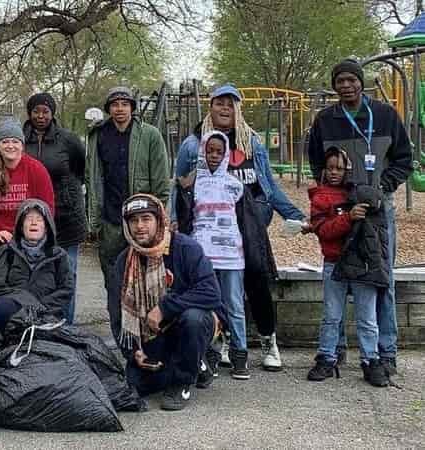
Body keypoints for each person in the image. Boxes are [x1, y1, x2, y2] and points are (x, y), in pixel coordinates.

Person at [174, 84, 304, 372]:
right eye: (219, 103)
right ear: (210, 107)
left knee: (256, 276)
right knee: (214, 285)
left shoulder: (252, 143)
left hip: (248, 220)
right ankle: (222, 339)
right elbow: (179, 186)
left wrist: (295, 215)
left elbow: (268, 186)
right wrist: (174, 221)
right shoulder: (193, 144)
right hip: (209, 226)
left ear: (238, 108)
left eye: (230, 104)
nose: (224, 109)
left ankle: (268, 339)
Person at [307, 59, 412, 376]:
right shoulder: (326, 120)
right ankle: (334, 352)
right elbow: (315, 161)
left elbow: (404, 160)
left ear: (361, 82)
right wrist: (332, 194)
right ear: (334, 85)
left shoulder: (384, 116)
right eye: (340, 81)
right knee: (337, 272)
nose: (346, 86)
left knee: (382, 278)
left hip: (378, 211)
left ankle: (385, 351)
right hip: (340, 208)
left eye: (352, 80)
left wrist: (383, 186)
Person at [112, 194, 224, 411]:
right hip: (153, 332)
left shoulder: (185, 248)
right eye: (133, 221)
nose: (140, 226)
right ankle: (197, 365)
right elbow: (116, 313)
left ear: (159, 220)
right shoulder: (123, 261)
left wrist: (164, 308)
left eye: (146, 219)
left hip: (193, 323)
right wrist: (132, 351)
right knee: (137, 384)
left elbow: (212, 293)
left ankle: (182, 382)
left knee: (193, 319)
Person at [86, 87, 171, 341]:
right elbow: (92, 179)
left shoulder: (150, 135)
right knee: (114, 282)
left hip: (142, 221)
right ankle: (120, 337)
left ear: (133, 107)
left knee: (148, 281)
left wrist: (159, 219)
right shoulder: (98, 136)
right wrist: (94, 220)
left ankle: (150, 337)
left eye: (125, 103)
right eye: (115, 104)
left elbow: (161, 184)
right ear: (108, 108)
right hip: (111, 220)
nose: (120, 108)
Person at [306, 147, 389, 387]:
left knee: (367, 318)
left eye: (339, 168)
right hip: (334, 262)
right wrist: (348, 218)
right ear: (324, 169)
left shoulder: (360, 192)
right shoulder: (320, 197)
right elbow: (324, 230)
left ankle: (370, 360)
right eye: (330, 167)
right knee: (332, 316)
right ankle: (326, 357)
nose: (334, 173)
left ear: (347, 170)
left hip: (363, 263)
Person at [173, 131, 249, 379]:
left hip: (231, 255)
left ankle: (240, 354)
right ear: (203, 151)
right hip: (202, 256)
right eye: (210, 150)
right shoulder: (192, 184)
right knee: (208, 305)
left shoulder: (234, 185)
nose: (214, 155)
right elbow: (185, 217)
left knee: (235, 305)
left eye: (219, 151)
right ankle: (210, 354)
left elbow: (244, 219)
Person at [23, 92, 86, 323]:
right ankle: (38, 324)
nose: (41, 116)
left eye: (45, 111)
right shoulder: (20, 139)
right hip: (34, 217)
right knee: (36, 274)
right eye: (36, 111)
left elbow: (80, 169)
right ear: (29, 113)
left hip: (66, 217)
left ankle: (65, 324)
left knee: (67, 273)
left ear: (52, 113)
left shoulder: (68, 140)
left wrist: (68, 194)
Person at [0, 199, 72, 329]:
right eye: (29, 219)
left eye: (39, 219)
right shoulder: (6, 251)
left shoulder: (59, 255)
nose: (34, 223)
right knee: (2, 307)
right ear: (21, 226)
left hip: (47, 310)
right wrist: (26, 302)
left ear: (46, 226)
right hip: (15, 309)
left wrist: (40, 306)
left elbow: (66, 289)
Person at [0, 117, 55, 249]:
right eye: (5, 142)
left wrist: (33, 233)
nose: (10, 146)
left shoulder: (37, 170)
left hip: (29, 241)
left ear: (22, 145)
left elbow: (47, 207)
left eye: (15, 141)